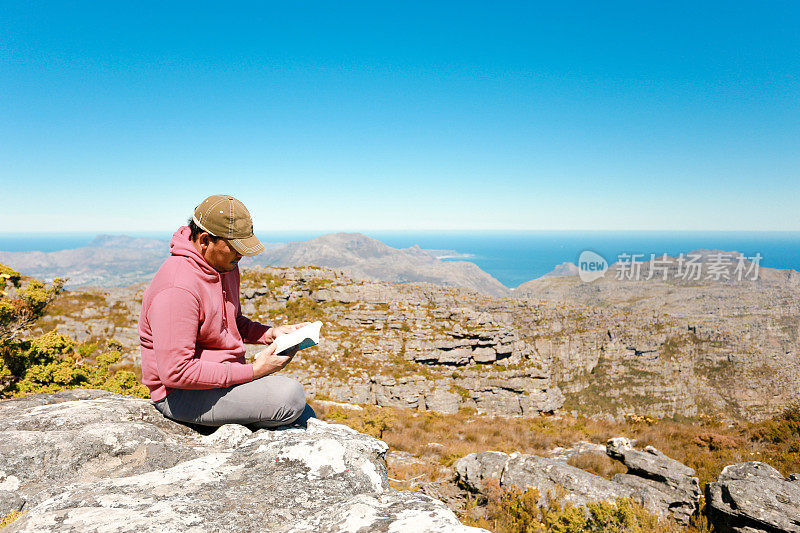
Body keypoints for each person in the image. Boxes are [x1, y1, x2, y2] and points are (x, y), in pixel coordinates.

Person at [138, 194, 315, 430]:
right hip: (180, 394)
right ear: (204, 241)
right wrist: (254, 371)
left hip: (222, 380)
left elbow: (232, 322)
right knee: (290, 397)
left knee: (304, 413)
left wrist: (269, 334)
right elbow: (176, 373)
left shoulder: (224, 266)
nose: (241, 255)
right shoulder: (177, 288)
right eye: (235, 248)